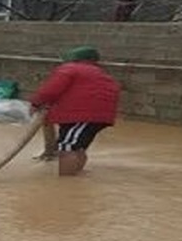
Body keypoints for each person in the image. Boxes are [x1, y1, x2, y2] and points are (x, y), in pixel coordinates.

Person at [29, 46, 121, 176]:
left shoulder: (69, 69)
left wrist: (36, 103)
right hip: (99, 115)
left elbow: (51, 89)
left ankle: (66, 185)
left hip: (82, 115)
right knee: (78, 147)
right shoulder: (99, 73)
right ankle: (77, 179)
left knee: (67, 148)